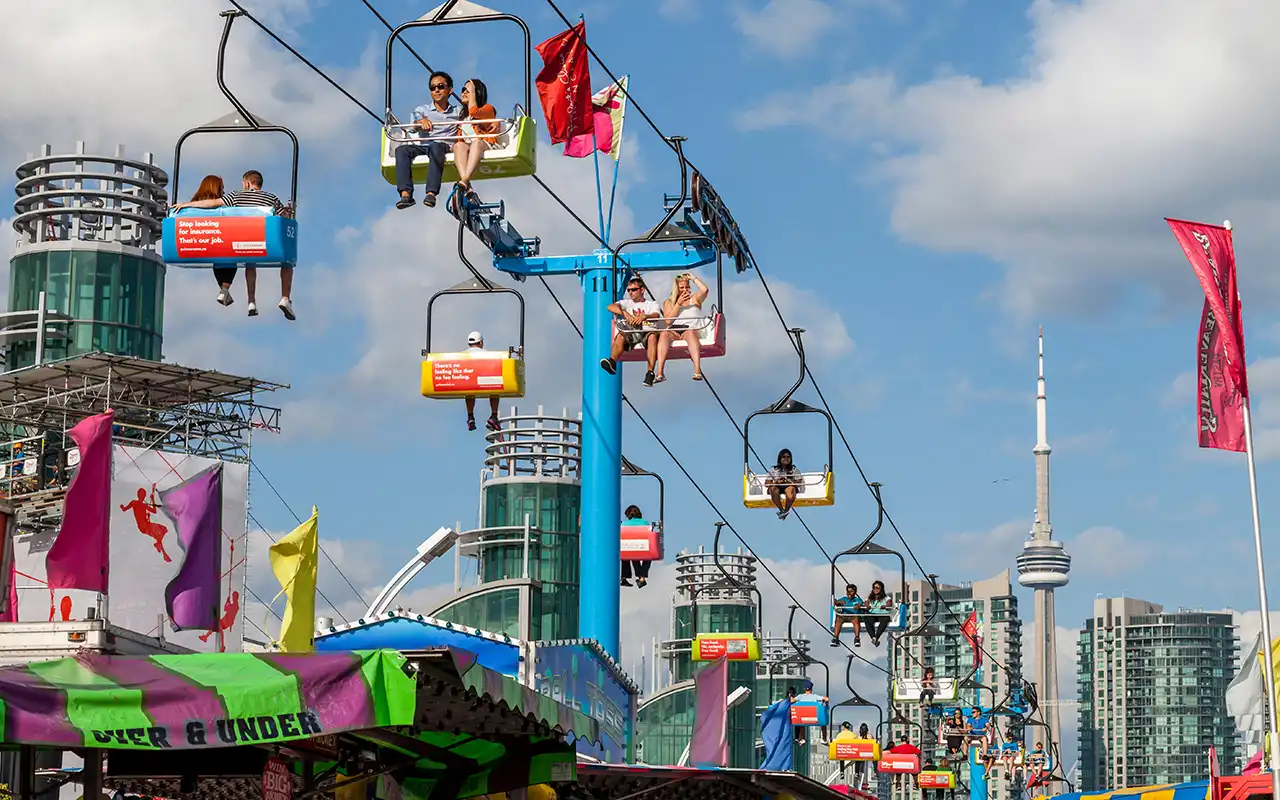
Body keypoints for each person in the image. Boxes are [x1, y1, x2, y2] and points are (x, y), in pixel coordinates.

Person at [172, 169, 296, 320]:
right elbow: (284, 216)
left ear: (247, 183)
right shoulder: (271, 198)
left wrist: (187, 204)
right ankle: (285, 297)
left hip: (244, 242)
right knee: (287, 260)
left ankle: (251, 301)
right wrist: (289, 212)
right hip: (265, 241)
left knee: (250, 260)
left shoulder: (236, 196)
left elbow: (212, 204)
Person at [395, 70, 464, 210]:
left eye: (440, 87)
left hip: (444, 146)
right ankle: (405, 194)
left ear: (450, 90)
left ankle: (431, 193)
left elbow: (472, 119)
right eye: (433, 88)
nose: (436, 90)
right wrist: (420, 122)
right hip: (424, 145)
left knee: (436, 146)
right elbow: (413, 124)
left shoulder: (458, 111)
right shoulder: (422, 110)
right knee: (402, 150)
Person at [183, 174, 236, 307]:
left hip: (198, 240)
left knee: (217, 256)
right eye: (222, 188)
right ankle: (224, 290)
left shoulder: (193, 205)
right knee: (230, 254)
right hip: (215, 237)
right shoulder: (220, 206)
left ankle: (224, 291)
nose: (224, 191)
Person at [601, 276, 661, 384]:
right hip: (632, 332)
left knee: (652, 337)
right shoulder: (626, 303)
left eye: (633, 290)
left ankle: (650, 372)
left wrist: (645, 316)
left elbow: (656, 314)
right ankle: (612, 361)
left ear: (642, 290)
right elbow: (610, 307)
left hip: (647, 330)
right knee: (621, 335)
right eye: (628, 290)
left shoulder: (651, 304)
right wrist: (625, 313)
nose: (630, 292)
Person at [654, 273, 709, 382]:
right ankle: (660, 371)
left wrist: (693, 278)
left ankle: (697, 369)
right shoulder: (669, 302)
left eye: (687, 287)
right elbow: (668, 321)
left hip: (691, 328)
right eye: (682, 288)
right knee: (664, 334)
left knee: (690, 333)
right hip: (674, 329)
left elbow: (705, 290)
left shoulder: (695, 299)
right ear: (677, 289)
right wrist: (678, 304)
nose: (684, 290)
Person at [453, 78, 499, 205]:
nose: (463, 93)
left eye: (467, 90)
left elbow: (475, 111)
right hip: (470, 147)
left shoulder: (487, 109)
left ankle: (465, 180)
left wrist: (472, 90)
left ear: (476, 93)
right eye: (463, 90)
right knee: (458, 146)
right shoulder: (462, 116)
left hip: (486, 144)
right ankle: (466, 183)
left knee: (477, 142)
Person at [120, 485, 171, 562]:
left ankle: (160, 548)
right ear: (142, 496)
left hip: (145, 526)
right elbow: (154, 511)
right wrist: (152, 499)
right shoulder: (139, 504)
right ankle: (163, 552)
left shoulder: (138, 504)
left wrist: (122, 507)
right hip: (145, 527)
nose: (143, 497)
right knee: (161, 532)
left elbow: (124, 509)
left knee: (163, 530)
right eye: (143, 495)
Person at [462, 331, 501, 432]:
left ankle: (470, 417)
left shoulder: (462, 355)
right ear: (480, 343)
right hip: (484, 381)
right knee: (495, 389)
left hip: (467, 381)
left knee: (469, 391)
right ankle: (494, 415)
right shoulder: (487, 354)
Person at [619, 504, 652, 588]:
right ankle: (642, 577)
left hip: (628, 548)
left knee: (626, 555)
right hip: (641, 547)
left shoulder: (624, 525)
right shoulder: (645, 523)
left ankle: (624, 577)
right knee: (647, 558)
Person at [765, 448, 802, 519]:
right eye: (784, 457)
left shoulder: (794, 469)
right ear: (780, 458)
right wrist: (776, 482)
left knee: (791, 490)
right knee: (773, 489)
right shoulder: (773, 470)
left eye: (788, 457)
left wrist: (789, 482)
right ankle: (781, 510)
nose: (786, 459)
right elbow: (767, 483)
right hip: (777, 486)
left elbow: (799, 481)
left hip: (789, 486)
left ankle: (785, 511)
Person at [861, 580, 893, 646]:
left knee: (885, 620)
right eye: (874, 588)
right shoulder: (869, 598)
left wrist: (885, 606)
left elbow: (889, 604)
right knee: (867, 619)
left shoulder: (886, 598)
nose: (875, 589)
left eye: (878, 588)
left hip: (882, 614)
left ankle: (876, 637)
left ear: (881, 589)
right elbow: (866, 604)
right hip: (872, 614)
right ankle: (873, 637)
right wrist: (867, 607)